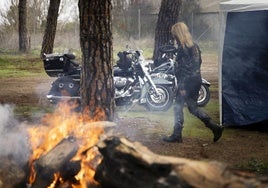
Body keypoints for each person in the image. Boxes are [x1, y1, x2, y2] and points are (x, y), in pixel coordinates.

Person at [163, 22, 223, 143]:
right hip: (196, 81)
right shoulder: (194, 46)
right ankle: (215, 127)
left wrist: (182, 86)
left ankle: (176, 135)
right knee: (192, 107)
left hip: (187, 82)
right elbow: (197, 64)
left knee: (177, 107)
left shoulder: (183, 49)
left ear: (178, 34)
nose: (173, 37)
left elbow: (185, 69)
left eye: (174, 34)